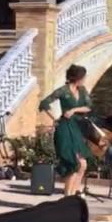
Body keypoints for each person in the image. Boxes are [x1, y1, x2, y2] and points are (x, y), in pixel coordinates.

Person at [39, 64, 95, 197]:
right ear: (77, 77)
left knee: (83, 164)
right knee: (73, 163)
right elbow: (44, 103)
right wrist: (55, 118)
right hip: (64, 127)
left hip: (76, 127)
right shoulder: (63, 91)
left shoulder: (82, 90)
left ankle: (74, 193)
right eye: (83, 77)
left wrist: (74, 110)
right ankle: (67, 196)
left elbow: (88, 107)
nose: (85, 79)